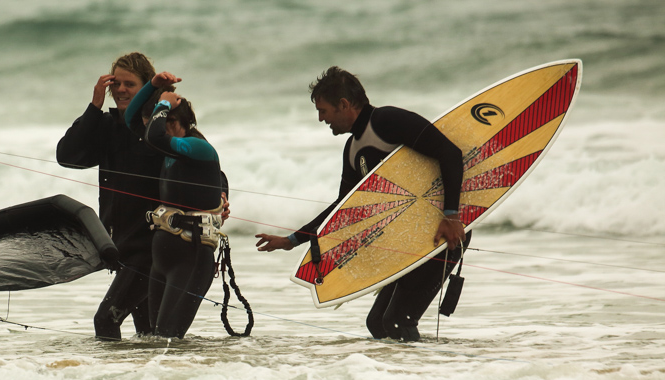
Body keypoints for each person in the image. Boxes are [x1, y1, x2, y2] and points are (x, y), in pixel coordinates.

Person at [255, 67, 468, 342]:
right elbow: (343, 209)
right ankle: (419, 366)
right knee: (378, 323)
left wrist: (451, 216)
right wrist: (292, 240)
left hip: (443, 234)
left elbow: (450, 153)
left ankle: (439, 365)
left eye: (323, 111)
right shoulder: (353, 150)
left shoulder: (388, 121)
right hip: (411, 241)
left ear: (344, 104)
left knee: (396, 322)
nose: (321, 119)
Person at [56, 52, 163, 340]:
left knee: (105, 320)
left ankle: (111, 369)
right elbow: (68, 156)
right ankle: (157, 368)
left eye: (130, 84)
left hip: (152, 247)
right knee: (149, 334)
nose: (121, 90)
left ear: (147, 88)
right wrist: (94, 107)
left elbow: (201, 162)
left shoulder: (157, 127)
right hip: (122, 247)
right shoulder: (105, 126)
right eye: (116, 83)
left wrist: (220, 196)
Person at [124, 71, 228, 339]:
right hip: (164, 258)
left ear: (176, 121)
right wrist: (153, 85)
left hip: (191, 257)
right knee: (154, 338)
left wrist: (163, 103)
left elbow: (155, 137)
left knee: (168, 338)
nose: (156, 128)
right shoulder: (169, 150)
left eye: (164, 121)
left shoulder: (198, 147)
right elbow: (131, 120)